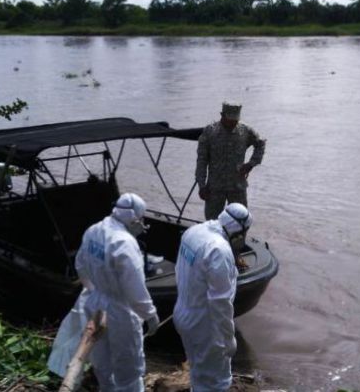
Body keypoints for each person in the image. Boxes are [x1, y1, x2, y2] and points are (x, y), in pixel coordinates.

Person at [74, 193, 160, 392]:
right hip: (121, 312)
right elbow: (135, 290)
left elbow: (80, 266)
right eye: (142, 220)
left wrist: (95, 290)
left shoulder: (94, 230)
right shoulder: (125, 244)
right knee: (130, 369)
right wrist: (150, 315)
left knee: (102, 363)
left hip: (95, 304)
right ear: (134, 219)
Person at [173, 202, 252, 392]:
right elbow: (220, 304)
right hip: (205, 327)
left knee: (198, 373)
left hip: (183, 314)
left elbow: (179, 270)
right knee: (217, 382)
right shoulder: (220, 250)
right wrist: (228, 339)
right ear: (240, 231)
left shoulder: (194, 232)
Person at [195, 102, 266, 220]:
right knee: (212, 222)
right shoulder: (210, 132)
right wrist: (201, 185)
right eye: (230, 119)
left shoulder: (245, 131)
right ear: (222, 115)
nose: (233, 123)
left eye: (235, 120)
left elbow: (260, 143)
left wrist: (251, 164)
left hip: (237, 187)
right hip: (215, 188)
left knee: (240, 221)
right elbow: (201, 160)